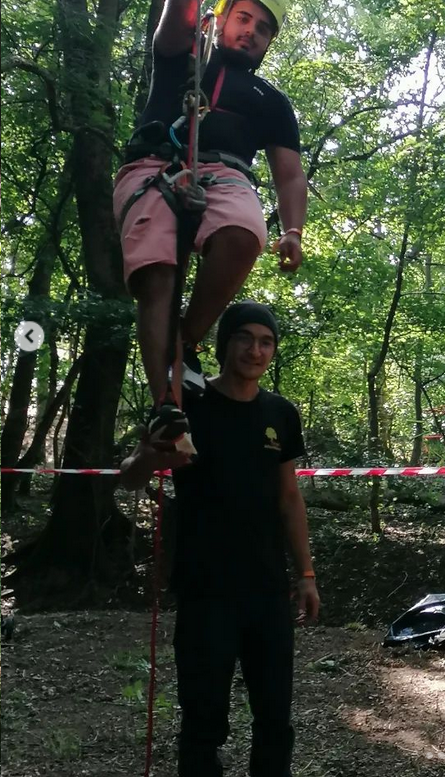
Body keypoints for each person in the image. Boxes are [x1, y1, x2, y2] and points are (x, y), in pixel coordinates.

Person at [113, 0, 308, 448]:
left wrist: (292, 230)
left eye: (263, 28)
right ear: (221, 19)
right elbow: (179, 8)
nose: (250, 32)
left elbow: (289, 176)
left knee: (245, 232)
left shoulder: (271, 101)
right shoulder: (185, 56)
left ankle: (186, 339)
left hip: (227, 176)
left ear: (269, 43)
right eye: (242, 18)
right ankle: (165, 412)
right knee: (158, 275)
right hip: (156, 167)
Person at [120, 301, 319, 776]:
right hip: (205, 588)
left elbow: (289, 498)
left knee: (275, 718)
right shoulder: (187, 403)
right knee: (203, 720)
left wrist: (307, 574)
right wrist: (153, 454)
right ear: (224, 343)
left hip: (268, 589)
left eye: (266, 341)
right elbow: (131, 475)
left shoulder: (280, 414)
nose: (255, 350)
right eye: (244, 338)